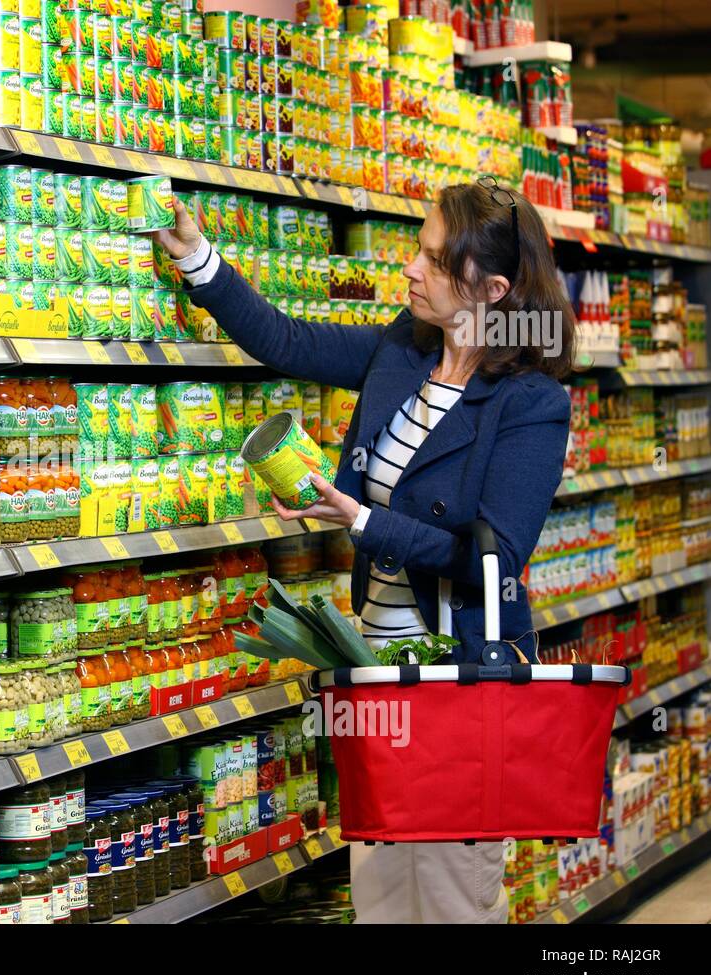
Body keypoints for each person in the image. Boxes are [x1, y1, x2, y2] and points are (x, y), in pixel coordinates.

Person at [153, 178, 576, 924]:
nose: (411, 268)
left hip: (457, 688)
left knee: (448, 900)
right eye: (418, 248)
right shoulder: (404, 350)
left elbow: (495, 555)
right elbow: (290, 338)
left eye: (435, 259)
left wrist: (364, 521)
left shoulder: (532, 401)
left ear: (493, 288)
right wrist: (199, 261)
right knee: (380, 899)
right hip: (379, 680)